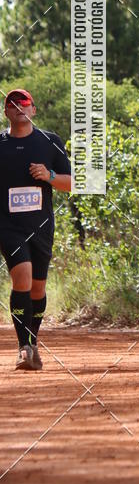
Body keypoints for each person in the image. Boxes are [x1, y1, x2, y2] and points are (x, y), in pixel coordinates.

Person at [0, 89, 71, 371]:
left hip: (41, 226)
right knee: (22, 277)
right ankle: (23, 349)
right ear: (6, 112)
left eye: (24, 103)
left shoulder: (50, 142)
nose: (19, 106)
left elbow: (72, 182)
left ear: (34, 110)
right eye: (12, 103)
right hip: (8, 226)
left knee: (38, 289)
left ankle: (32, 341)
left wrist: (49, 176)